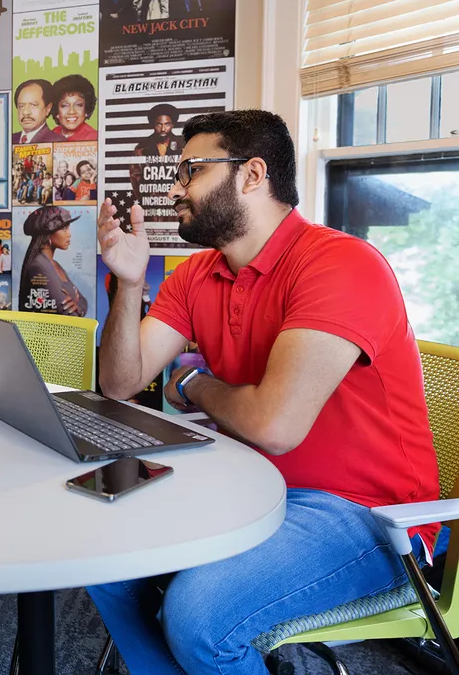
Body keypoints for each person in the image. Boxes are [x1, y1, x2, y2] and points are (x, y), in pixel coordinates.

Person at [88, 109, 442, 674]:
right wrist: (129, 285)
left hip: (367, 516)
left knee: (199, 617)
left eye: (191, 172)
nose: (175, 189)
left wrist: (193, 382)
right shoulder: (197, 274)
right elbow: (120, 381)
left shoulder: (340, 265)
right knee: (101, 552)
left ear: (252, 175)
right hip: (251, 489)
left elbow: (274, 427)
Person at [18, 205, 88, 316]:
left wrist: (79, 308)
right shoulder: (38, 267)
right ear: (48, 234)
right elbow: (66, 312)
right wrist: (79, 309)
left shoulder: (55, 265)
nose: (69, 234)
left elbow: (84, 301)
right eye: (64, 228)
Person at [13, 79, 64, 144]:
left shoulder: (56, 141)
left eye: (33, 105)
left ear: (48, 108)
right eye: (21, 106)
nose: (25, 112)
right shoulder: (9, 139)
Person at [51, 74, 98, 141]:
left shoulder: (94, 137)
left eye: (78, 105)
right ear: (57, 112)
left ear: (86, 111)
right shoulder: (53, 134)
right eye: (64, 105)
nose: (71, 111)